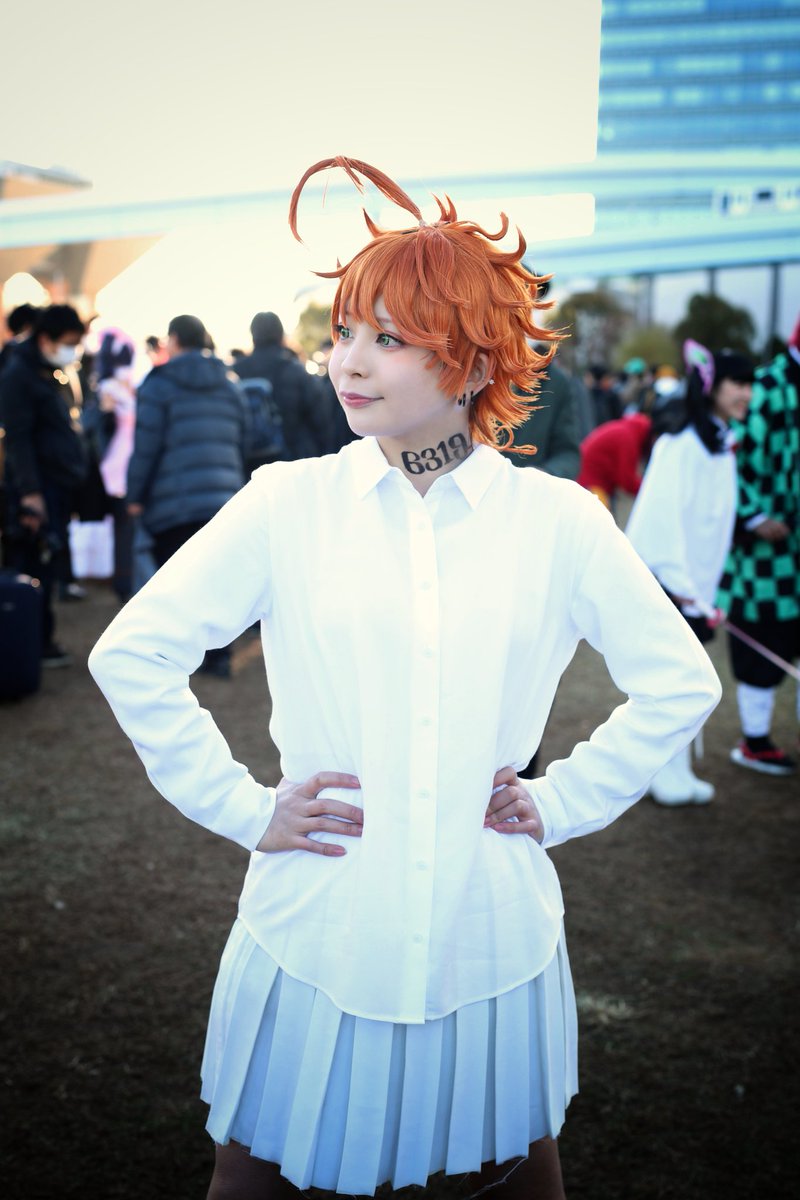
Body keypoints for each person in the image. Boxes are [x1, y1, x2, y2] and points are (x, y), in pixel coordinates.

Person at [89, 157, 721, 1200]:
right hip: (319, 924)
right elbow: (133, 652)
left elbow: (677, 684)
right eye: (344, 330)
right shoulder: (286, 503)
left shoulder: (555, 521)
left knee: (512, 1174)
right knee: (254, 1176)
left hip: (488, 932)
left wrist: (562, 800)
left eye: (389, 338)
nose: (348, 360)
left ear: (471, 362)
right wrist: (243, 807)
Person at [626, 341, 754, 805]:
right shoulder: (681, 444)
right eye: (738, 383)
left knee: (685, 683)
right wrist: (683, 589)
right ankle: (661, 772)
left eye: (750, 384)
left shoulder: (718, 443)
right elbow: (660, 523)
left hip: (695, 589)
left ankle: (675, 769)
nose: (747, 394)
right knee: (670, 684)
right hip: (672, 588)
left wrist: (704, 593)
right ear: (712, 386)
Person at [125, 313, 246, 677]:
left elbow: (146, 446)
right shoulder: (229, 382)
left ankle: (182, 655)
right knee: (217, 579)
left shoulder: (159, 384)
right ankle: (220, 656)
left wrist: (135, 495)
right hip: (224, 498)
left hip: (173, 499)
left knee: (178, 582)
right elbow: (244, 438)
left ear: (174, 340)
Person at [717, 318, 800, 775]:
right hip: (766, 553)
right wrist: (752, 515)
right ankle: (755, 741)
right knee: (764, 638)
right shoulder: (763, 387)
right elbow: (725, 454)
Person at [0, 304, 88, 666]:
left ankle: (39, 640)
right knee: (35, 565)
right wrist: (31, 494)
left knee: (46, 565)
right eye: (68, 342)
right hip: (37, 490)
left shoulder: (46, 371)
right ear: (45, 338)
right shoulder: (19, 376)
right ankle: (33, 644)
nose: (72, 350)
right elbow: (18, 440)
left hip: (54, 483)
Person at [231, 311, 328, 460]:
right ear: (281, 334)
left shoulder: (236, 372)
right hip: (294, 457)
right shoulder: (295, 370)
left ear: (253, 335)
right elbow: (320, 418)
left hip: (250, 461)